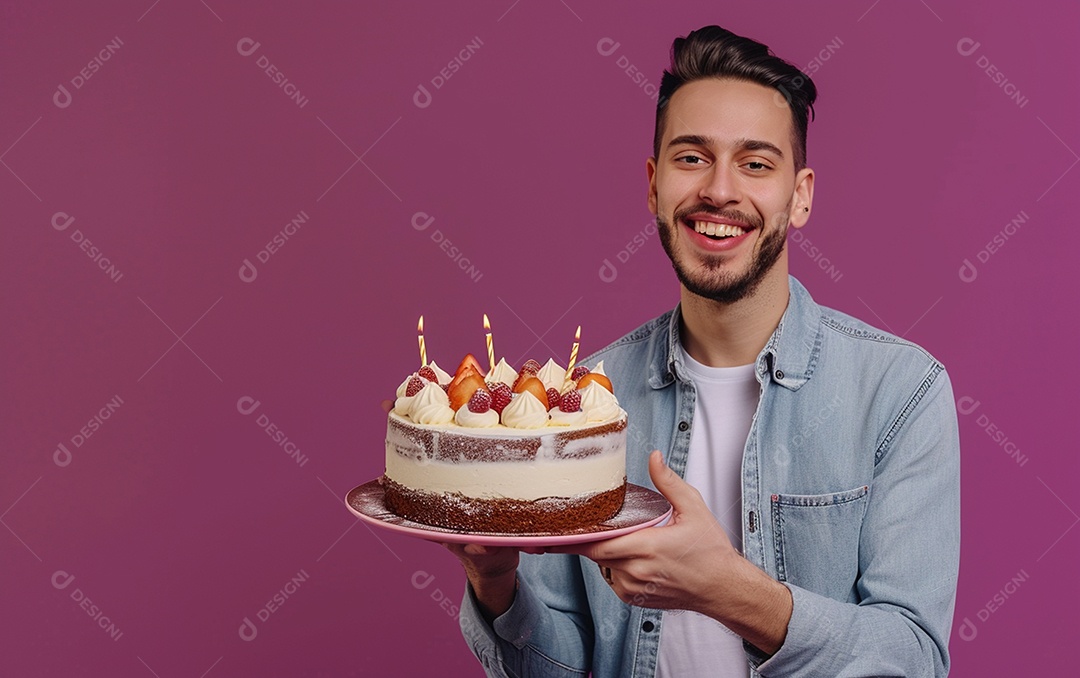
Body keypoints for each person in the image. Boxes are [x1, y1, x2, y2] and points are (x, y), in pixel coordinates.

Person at [448, 25, 960, 677]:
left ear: (799, 195)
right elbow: (560, 668)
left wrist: (729, 592)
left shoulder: (899, 391)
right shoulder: (584, 400)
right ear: (653, 183)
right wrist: (495, 584)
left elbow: (913, 659)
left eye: (756, 163)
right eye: (692, 157)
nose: (720, 191)